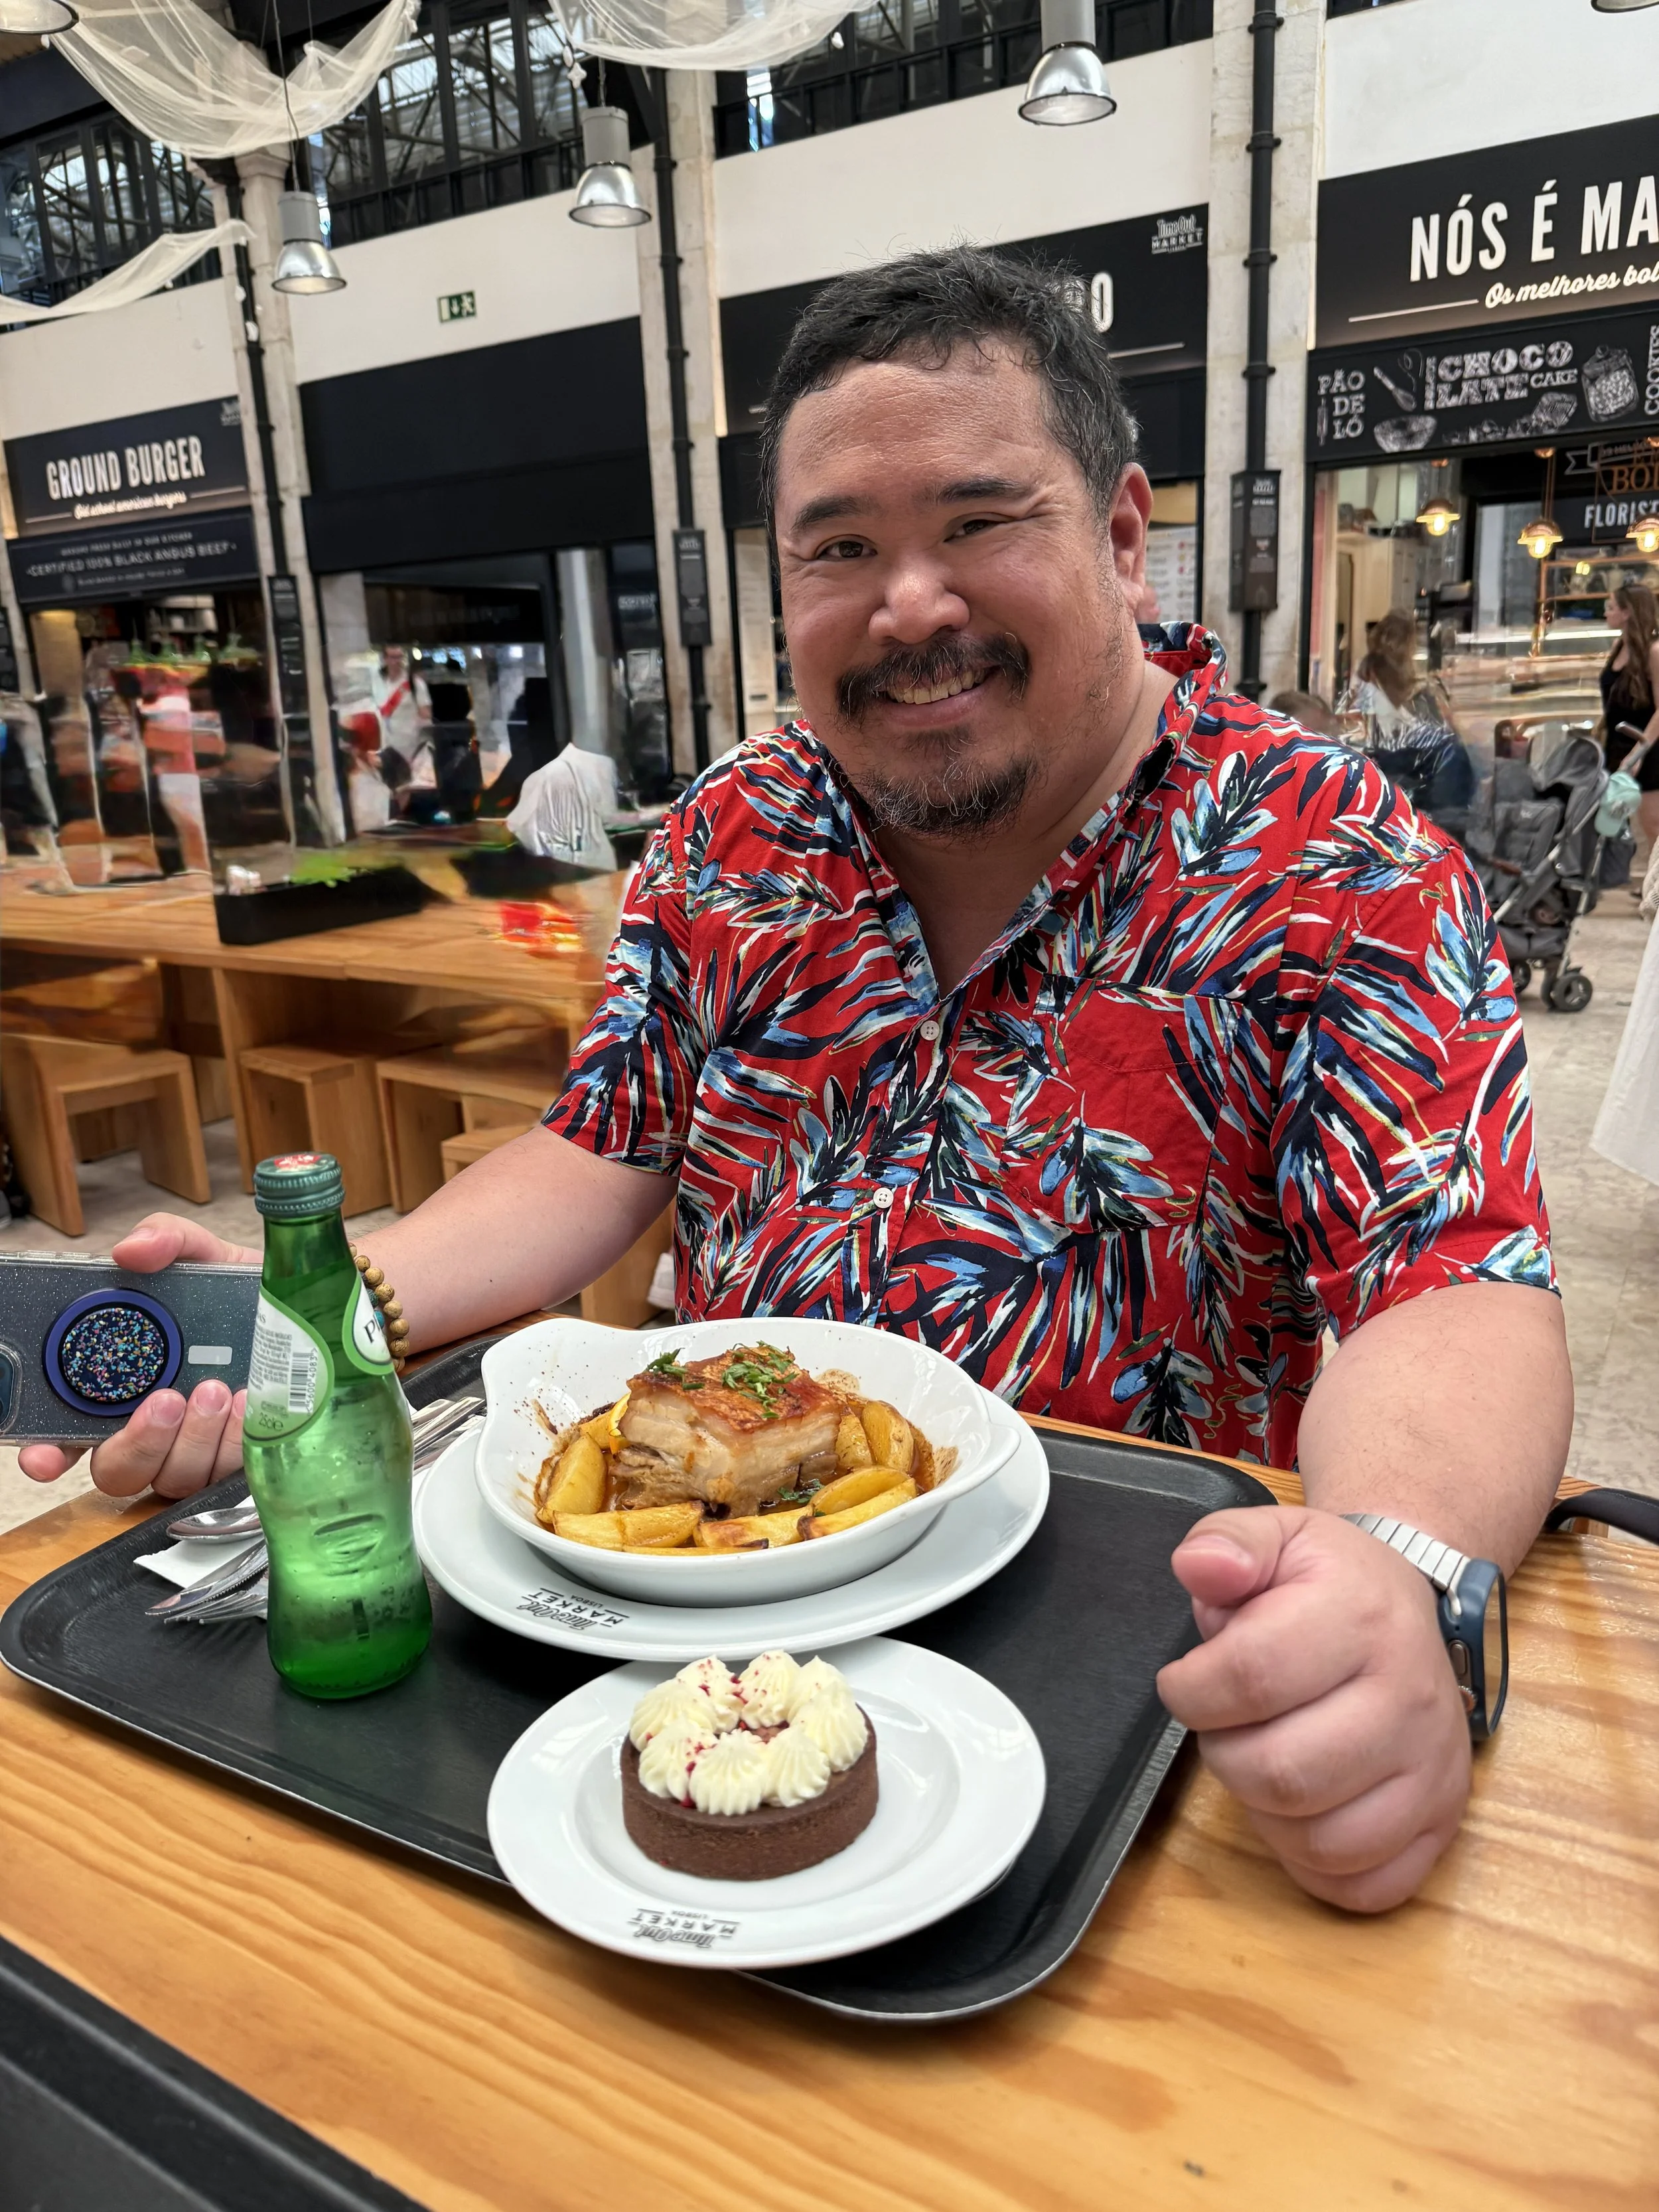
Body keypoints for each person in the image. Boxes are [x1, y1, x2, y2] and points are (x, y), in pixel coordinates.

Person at [22, 249, 1571, 1915]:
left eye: (979, 522)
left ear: (1123, 537)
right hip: (669, 1636)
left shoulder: (1334, 856)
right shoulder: (732, 831)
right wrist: (312, 1321)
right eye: (841, 549)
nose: (909, 604)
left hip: (1118, 1659)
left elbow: (1458, 1283)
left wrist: (1397, 1575)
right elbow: (599, 1154)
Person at [1343, 609, 1476, 844]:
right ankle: (1450, 838)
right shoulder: (1391, 674)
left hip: (1381, 751)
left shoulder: (1367, 668)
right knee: (1454, 754)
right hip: (1392, 754)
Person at [1599, 582, 1659, 848]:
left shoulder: (1654, 652)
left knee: (1653, 823)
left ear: (1627, 613)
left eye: (1611, 607)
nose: (1606, 613)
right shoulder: (1618, 646)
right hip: (1618, 746)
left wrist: (1639, 753)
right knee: (1619, 826)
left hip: (1648, 748)